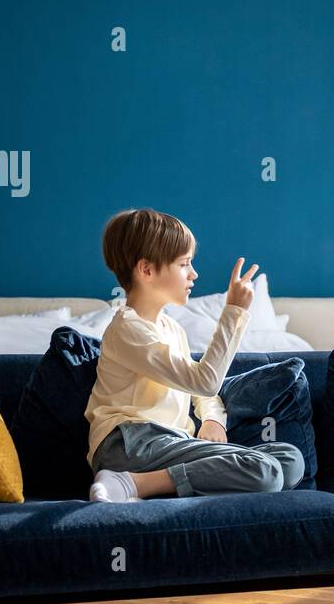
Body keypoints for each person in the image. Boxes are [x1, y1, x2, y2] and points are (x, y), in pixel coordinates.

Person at [85, 209, 304, 502]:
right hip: (129, 442)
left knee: (288, 459)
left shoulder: (171, 329)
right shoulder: (128, 330)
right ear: (147, 270)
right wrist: (234, 312)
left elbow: (198, 385)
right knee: (267, 472)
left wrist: (213, 419)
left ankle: (152, 481)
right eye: (184, 264)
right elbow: (206, 381)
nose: (194, 274)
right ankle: (132, 485)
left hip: (169, 441)